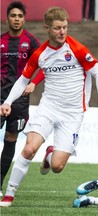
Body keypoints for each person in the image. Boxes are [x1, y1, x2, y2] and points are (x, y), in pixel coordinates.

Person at [0, 6, 98, 207]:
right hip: (48, 108)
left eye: (65, 27)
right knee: (28, 149)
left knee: (57, 166)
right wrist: (8, 101)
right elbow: (23, 80)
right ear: (47, 28)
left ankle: (50, 153)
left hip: (72, 114)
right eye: (58, 28)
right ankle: (9, 194)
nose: (62, 32)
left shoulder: (77, 48)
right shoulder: (41, 53)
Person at [0, 1, 44, 197]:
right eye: (13, 15)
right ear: (7, 18)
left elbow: (45, 64)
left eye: (19, 16)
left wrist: (33, 82)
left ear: (24, 19)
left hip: (20, 101)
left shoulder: (32, 41)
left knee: (11, 139)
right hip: (0, 96)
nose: (16, 19)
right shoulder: (0, 41)